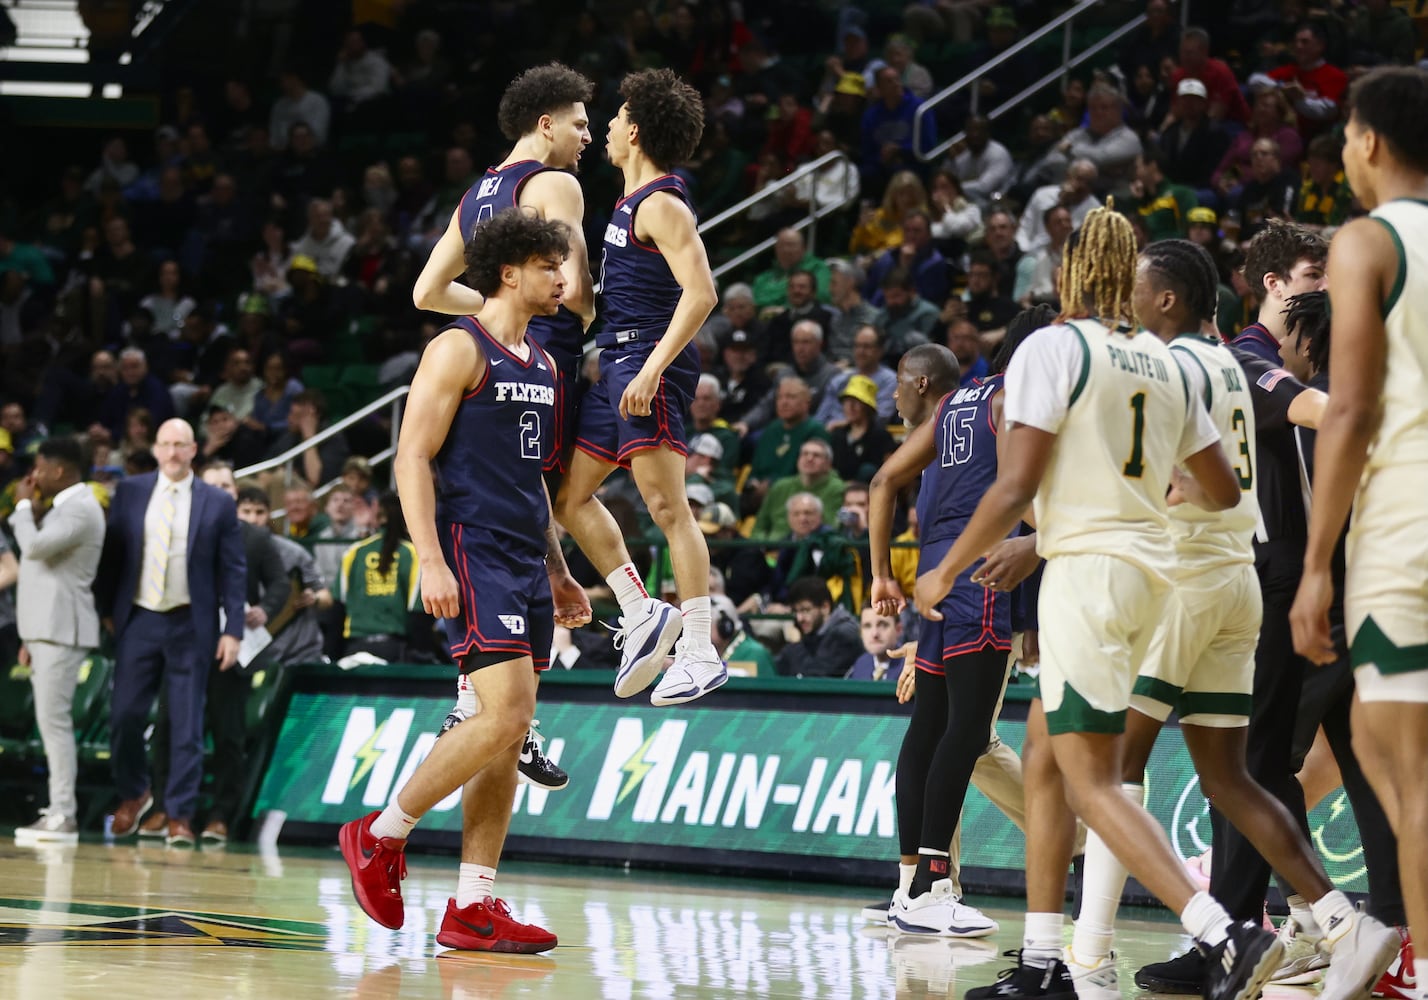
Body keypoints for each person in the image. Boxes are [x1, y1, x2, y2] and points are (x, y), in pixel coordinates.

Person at [914, 205, 1278, 1000]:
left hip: (1088, 578)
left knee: (1094, 783)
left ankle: (1220, 934)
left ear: (1073, 272)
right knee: (1045, 749)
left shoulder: (1054, 347)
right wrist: (1142, 493)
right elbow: (1220, 487)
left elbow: (1014, 484)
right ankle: (1045, 961)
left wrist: (945, 572)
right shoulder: (1163, 358)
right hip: (1151, 578)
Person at [1065, 239, 1395, 995]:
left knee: (1111, 773)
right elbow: (1222, 480)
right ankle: (1340, 923)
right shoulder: (1223, 362)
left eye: (1139, 291)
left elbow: (1174, 483)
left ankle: (1111, 953)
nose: (1129, 304)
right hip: (1239, 585)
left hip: (1190, 582)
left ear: (1170, 300)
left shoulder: (1173, 366)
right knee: (1237, 776)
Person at [339, 210, 590, 951]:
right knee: (506, 715)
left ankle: (472, 906)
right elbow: (411, 457)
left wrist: (561, 571)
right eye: (550, 267)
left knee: (506, 739)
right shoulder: (457, 347)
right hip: (470, 545)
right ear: (510, 271)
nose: (562, 280)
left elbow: (534, 481)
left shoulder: (543, 364)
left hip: (523, 556)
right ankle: (379, 836)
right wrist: (428, 556)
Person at [1292, 65, 1428, 1000]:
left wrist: (1314, 566)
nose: (1344, 150)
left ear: (1370, 141)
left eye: (1344, 134)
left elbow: (1348, 412)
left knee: (1395, 758)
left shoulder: (1367, 241)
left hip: (1409, 516)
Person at [554, 68, 725, 708]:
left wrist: (652, 368)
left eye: (618, 114)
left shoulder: (661, 202)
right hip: (616, 363)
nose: (606, 126)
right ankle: (640, 608)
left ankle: (702, 649)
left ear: (638, 129)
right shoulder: (631, 202)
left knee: (666, 507)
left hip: (645, 365)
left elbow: (702, 293)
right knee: (568, 497)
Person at [867, 340, 1019, 939]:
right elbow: (1016, 487)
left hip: (934, 575)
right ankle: (932, 886)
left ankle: (911, 886)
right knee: (969, 730)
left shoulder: (952, 405)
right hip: (979, 569)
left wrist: (883, 571)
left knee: (930, 728)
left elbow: (882, 481)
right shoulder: (1009, 400)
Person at [412, 62, 595, 489]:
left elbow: (426, 292)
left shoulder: (476, 194)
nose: (587, 136)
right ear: (547, 125)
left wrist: (496, 303)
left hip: (488, 358)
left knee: (503, 490)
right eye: (580, 125)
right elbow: (573, 290)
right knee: (562, 496)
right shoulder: (556, 183)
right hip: (543, 357)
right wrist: (588, 312)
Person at [98, 418, 246, 847]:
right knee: (124, 715)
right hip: (140, 617)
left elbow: (233, 571)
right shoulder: (130, 491)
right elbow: (111, 559)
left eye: (181, 445)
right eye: (166, 445)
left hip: (189, 621)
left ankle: (180, 814)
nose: (174, 453)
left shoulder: (216, 502)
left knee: (186, 724)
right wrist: (107, 612)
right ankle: (135, 791)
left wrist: (231, 629)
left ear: (194, 449)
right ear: (156, 449)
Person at [10, 436, 106, 844]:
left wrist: (19, 508)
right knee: (50, 724)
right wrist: (30, 635)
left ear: (60, 470)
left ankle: (63, 814)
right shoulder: (65, 507)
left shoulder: (81, 508)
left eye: (40, 467)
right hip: (46, 631)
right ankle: (57, 809)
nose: (34, 475)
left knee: (55, 724)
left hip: (62, 630)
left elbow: (33, 548)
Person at [335, 492, 421, 662]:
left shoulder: (355, 552)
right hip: (395, 650)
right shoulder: (412, 553)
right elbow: (417, 610)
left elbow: (338, 606)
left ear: (377, 516)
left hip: (354, 648)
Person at [773, 577, 862, 678]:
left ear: (825, 607)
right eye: (796, 611)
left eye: (805, 610)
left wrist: (797, 644)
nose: (799, 618)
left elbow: (814, 677)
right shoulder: (814, 632)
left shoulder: (844, 635)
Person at [845, 605, 902, 681]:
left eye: (882, 625)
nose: (875, 634)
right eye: (867, 626)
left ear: (898, 629)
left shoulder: (912, 666)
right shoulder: (860, 665)